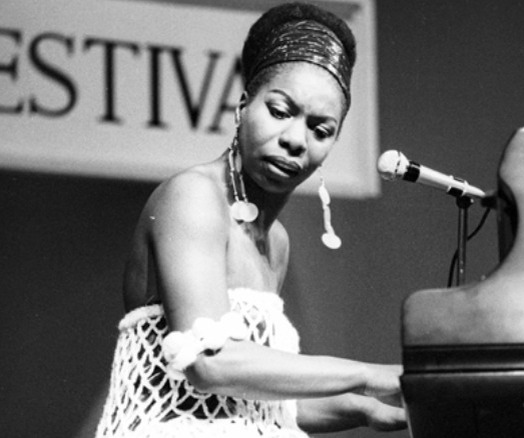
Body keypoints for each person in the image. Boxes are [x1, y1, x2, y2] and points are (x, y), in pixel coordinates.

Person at [95, 3, 407, 437]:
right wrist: (368, 375)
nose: (296, 140)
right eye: (280, 111)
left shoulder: (276, 242)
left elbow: (255, 400)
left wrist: (364, 410)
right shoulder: (193, 195)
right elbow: (211, 362)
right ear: (243, 107)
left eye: (321, 129)